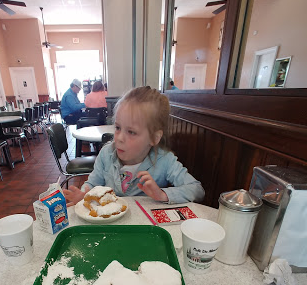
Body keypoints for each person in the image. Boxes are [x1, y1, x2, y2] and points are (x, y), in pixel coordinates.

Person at [63, 86, 205, 205]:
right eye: (118, 127)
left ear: (154, 138)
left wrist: (162, 194)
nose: (119, 138)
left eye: (131, 132)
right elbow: (92, 184)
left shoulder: (165, 160)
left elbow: (197, 190)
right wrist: (84, 194)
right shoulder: (107, 154)